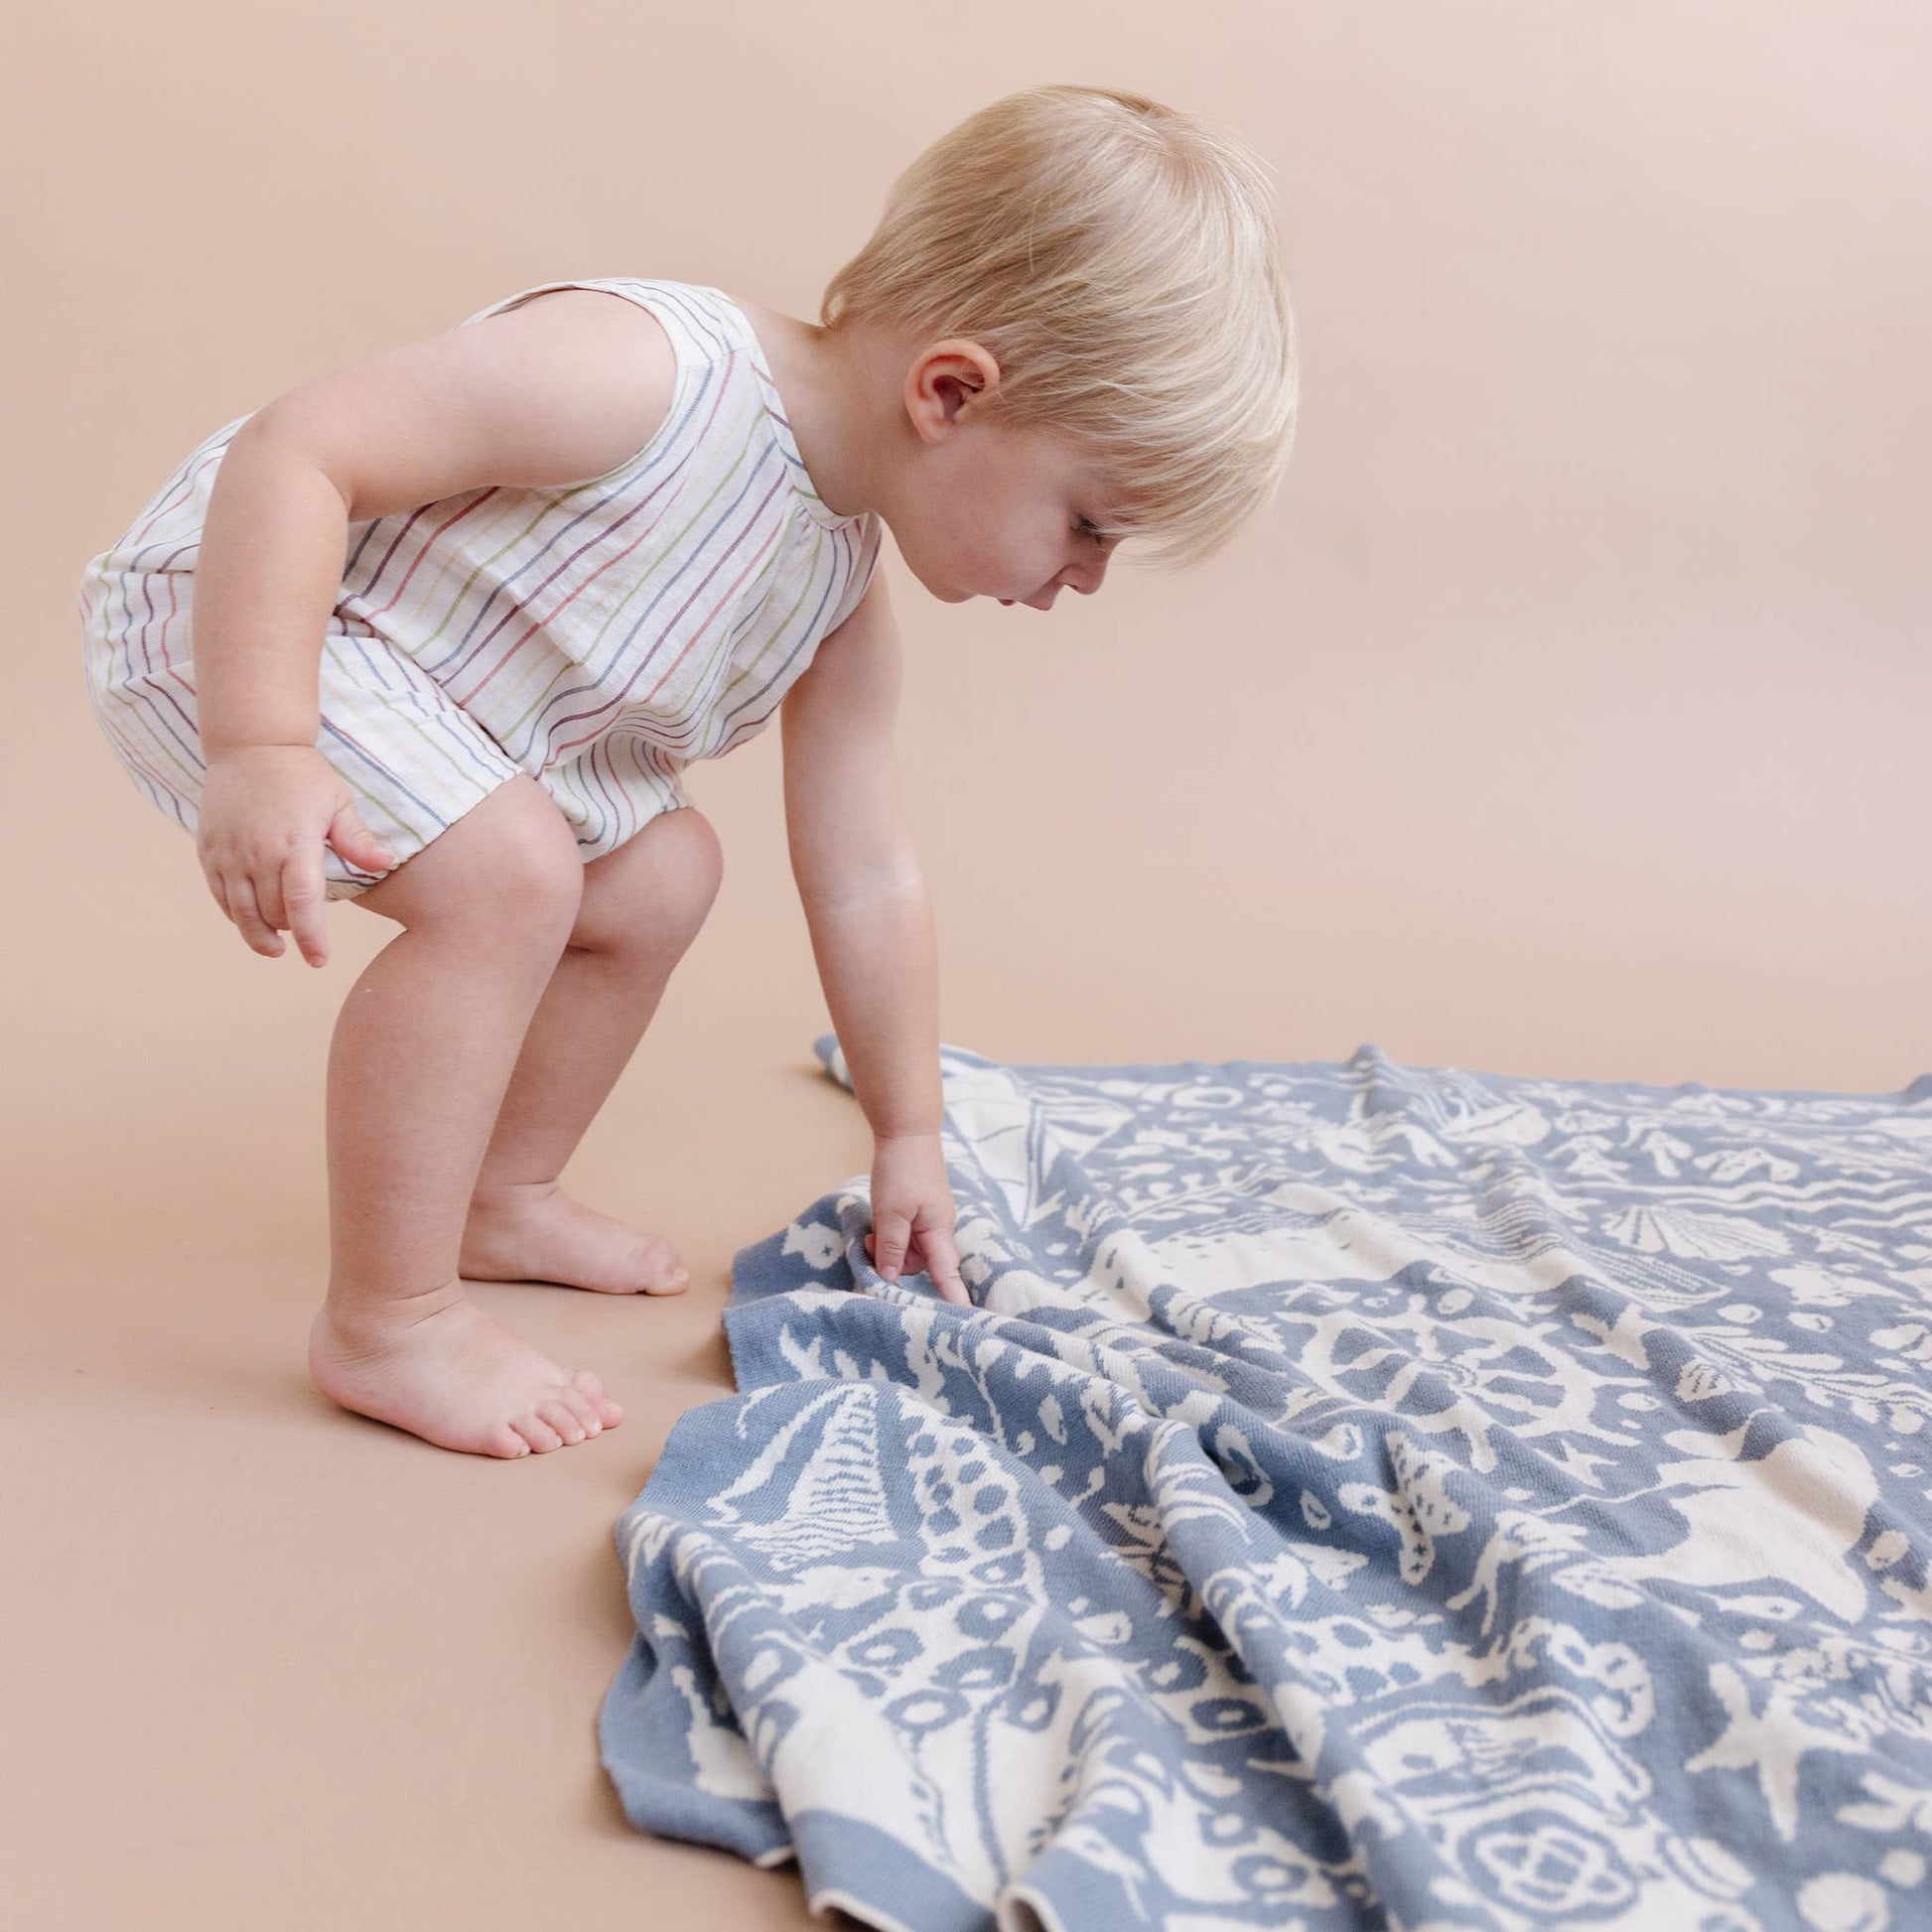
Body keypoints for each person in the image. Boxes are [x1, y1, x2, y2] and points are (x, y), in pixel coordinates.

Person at [74, 83, 1300, 1460]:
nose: (1082, 578)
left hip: (457, 710)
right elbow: (299, 449)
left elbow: (863, 864)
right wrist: (263, 744)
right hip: (255, 620)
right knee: (512, 874)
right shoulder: (645, 376)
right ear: (950, 391)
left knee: (662, 873)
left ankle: (497, 1193)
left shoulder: (834, 584)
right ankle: (386, 1315)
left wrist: (907, 1130)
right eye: (1087, 523)